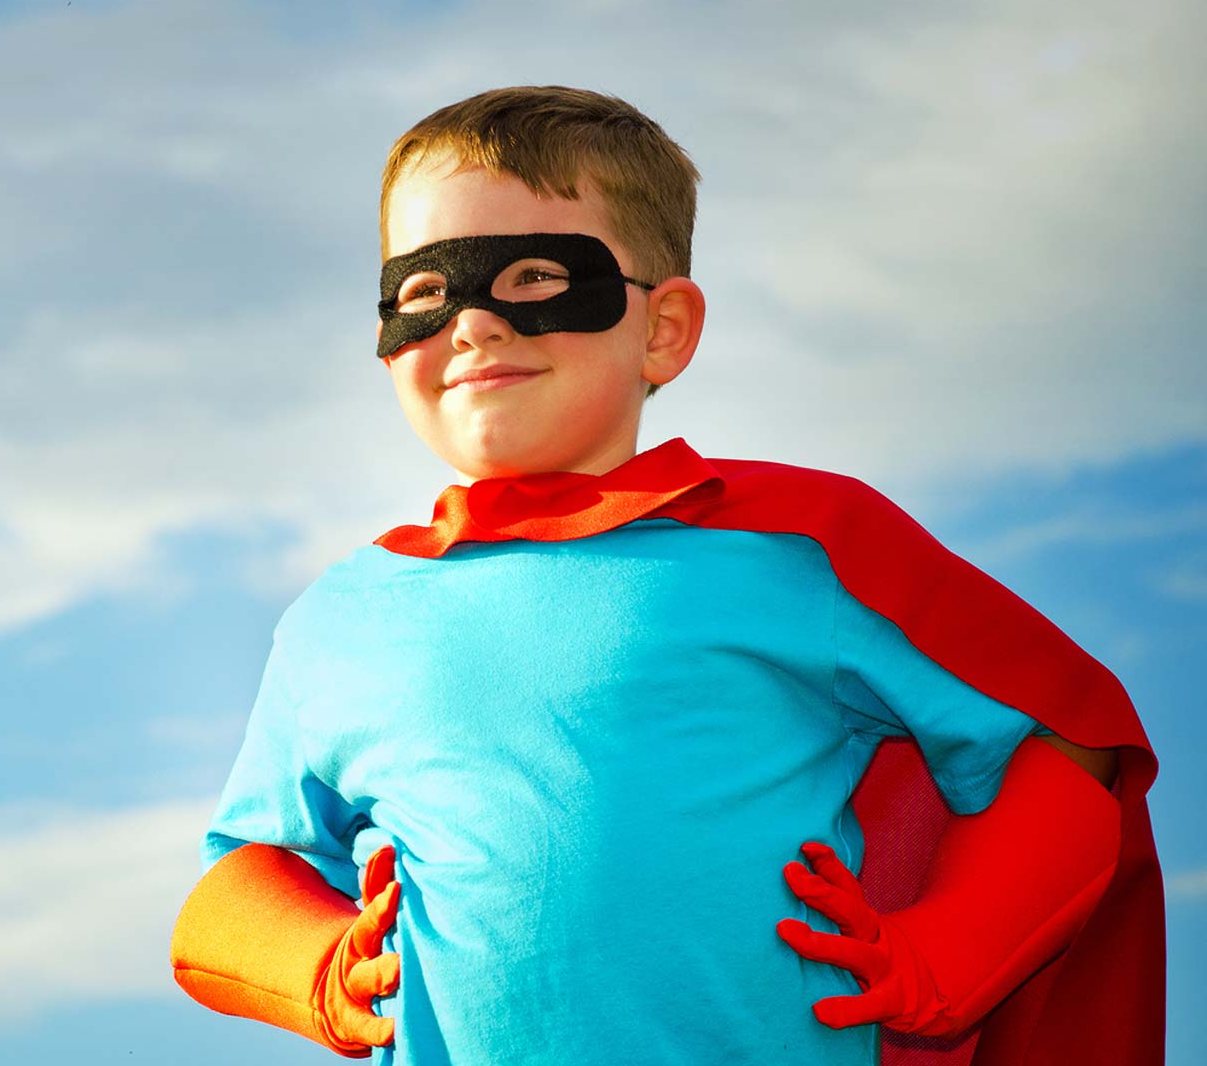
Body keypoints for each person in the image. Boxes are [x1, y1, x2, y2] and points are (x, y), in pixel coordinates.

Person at [168, 86, 1162, 1066]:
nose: (471, 325)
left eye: (532, 281)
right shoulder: (340, 619)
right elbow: (236, 876)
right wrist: (316, 965)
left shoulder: (806, 544)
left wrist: (944, 957)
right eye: (424, 294)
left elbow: (1068, 738)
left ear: (665, 330)